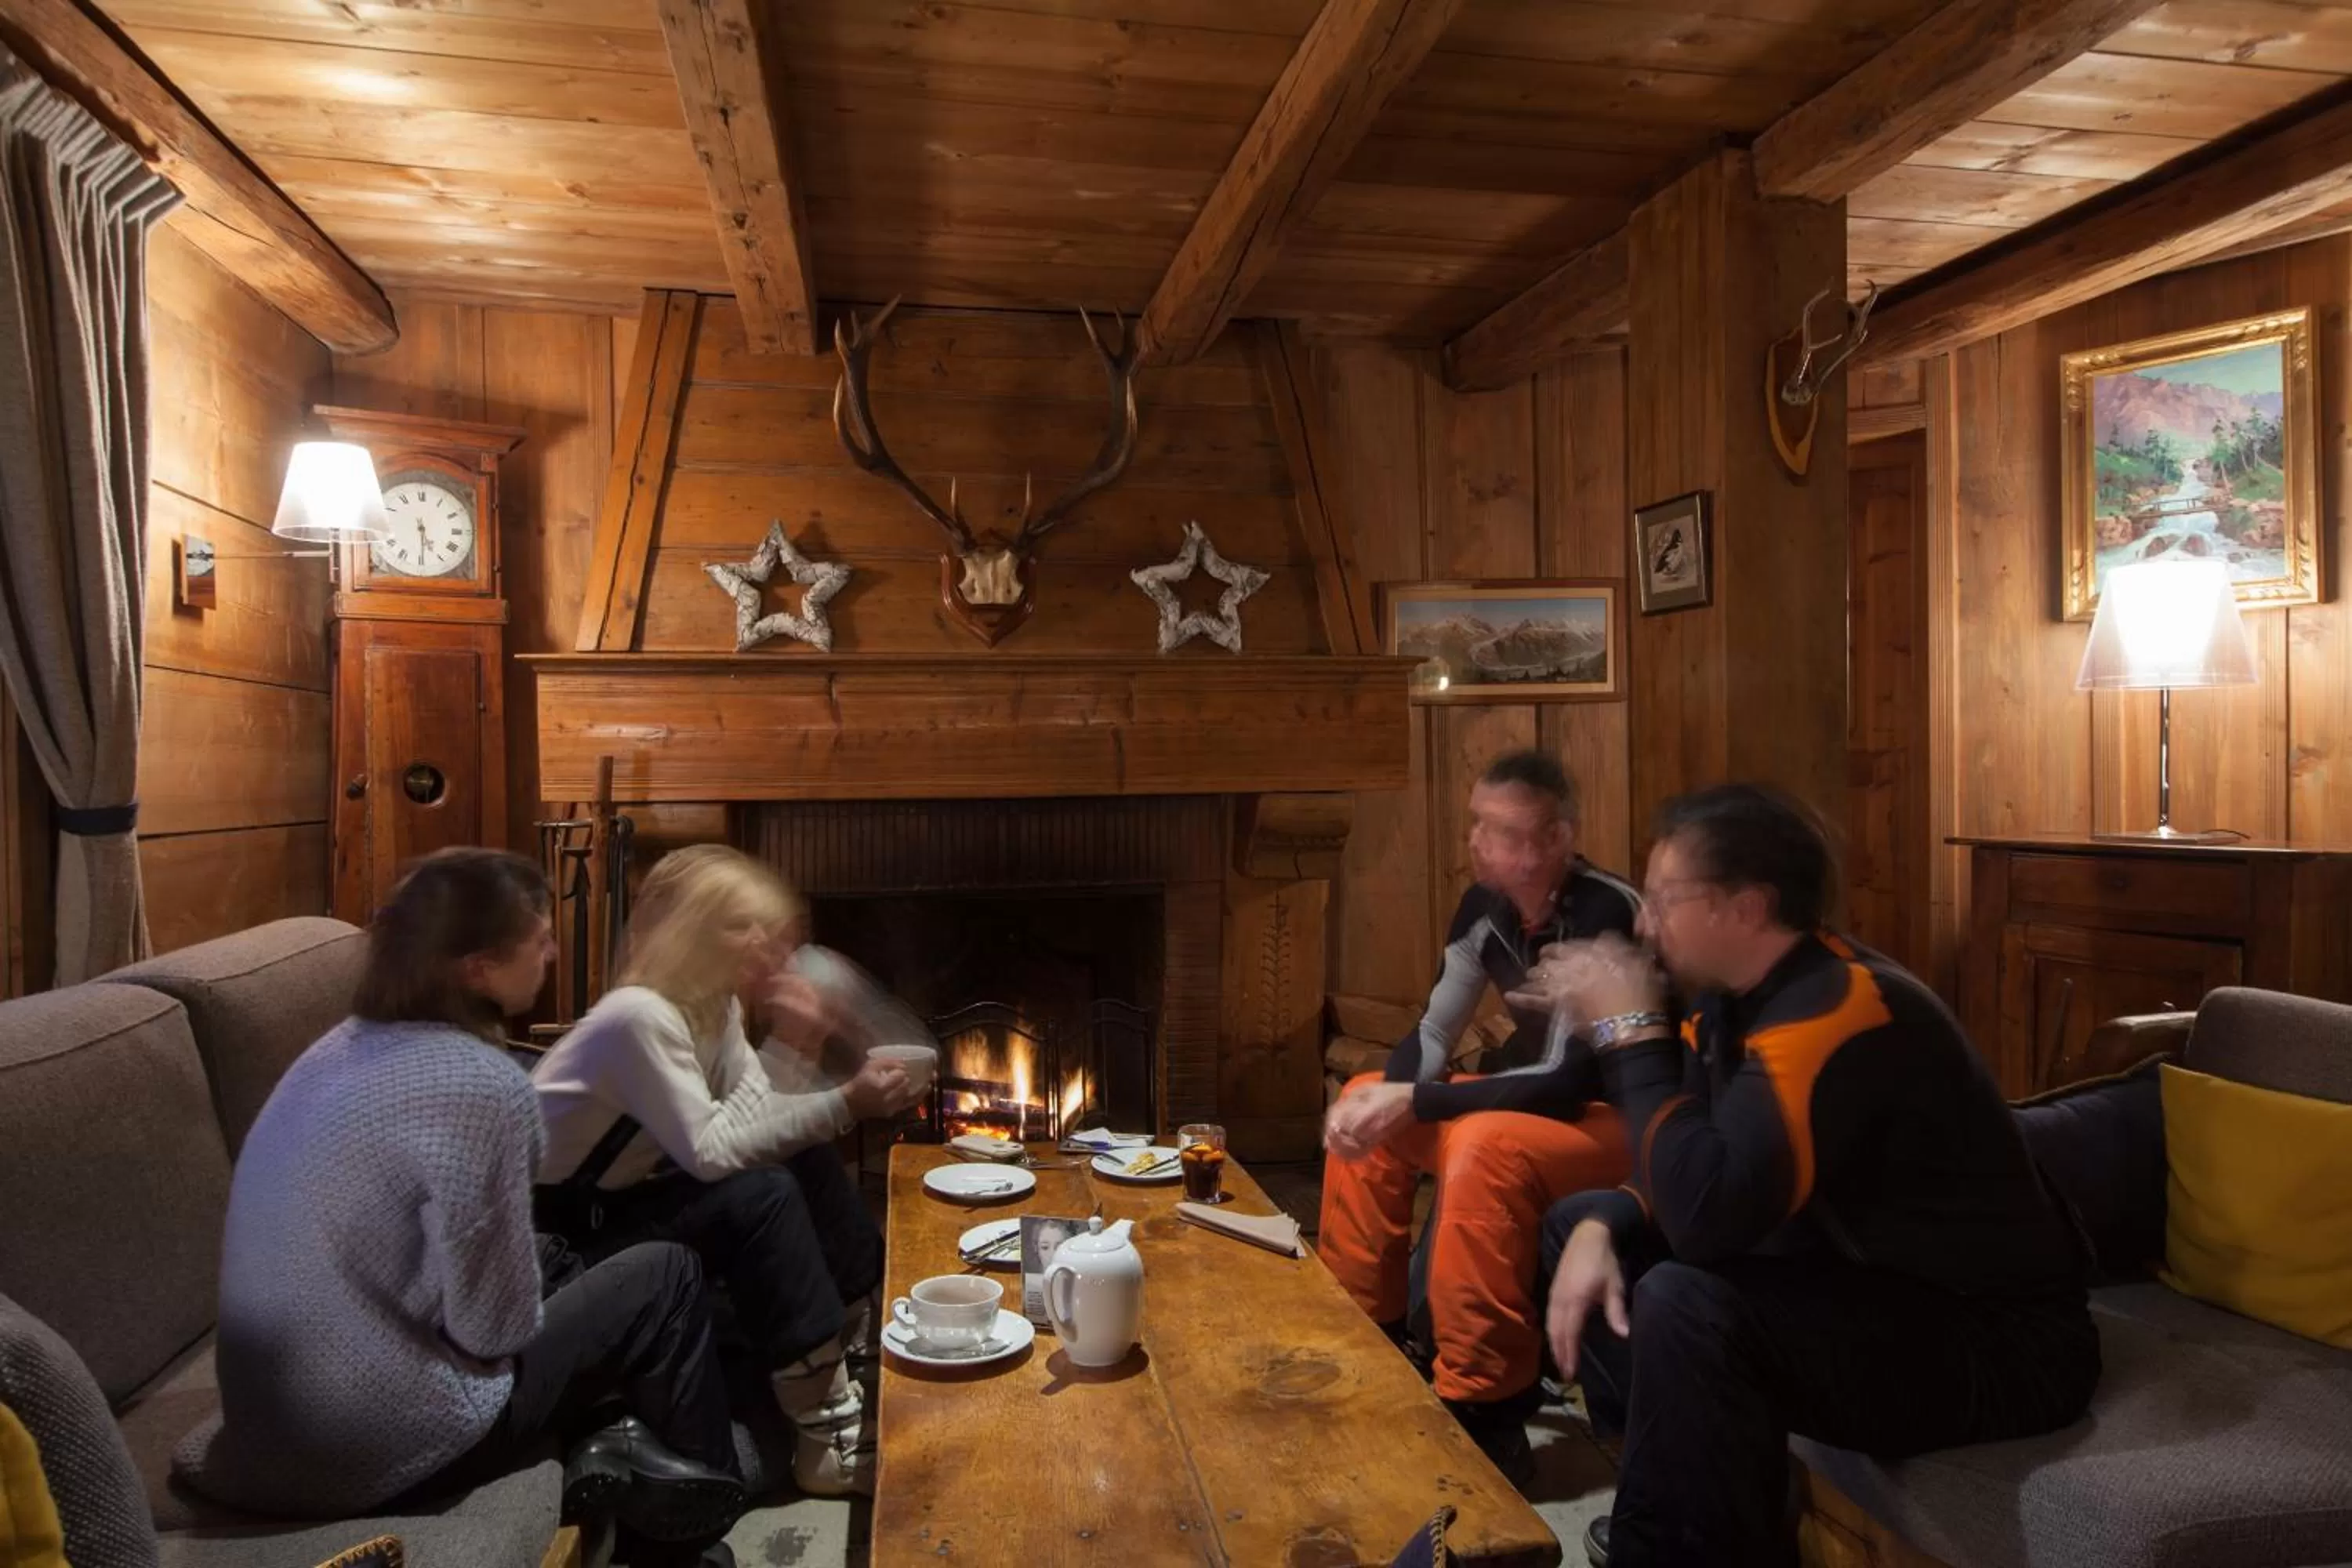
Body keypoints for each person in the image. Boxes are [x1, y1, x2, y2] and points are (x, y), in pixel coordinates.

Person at [1520, 786, 2098, 1568]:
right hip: (1865, 1283)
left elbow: (1707, 1215)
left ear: (1746, 907)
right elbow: (1694, 1157)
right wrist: (1603, 1220)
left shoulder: (1834, 1011)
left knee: (1687, 1300)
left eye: (1663, 899)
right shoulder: (1727, 1001)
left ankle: (1677, 1542)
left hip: (1998, 1339)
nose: (1644, 923)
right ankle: (1693, 1504)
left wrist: (1630, 1027)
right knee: (1582, 1223)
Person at [180, 848, 745, 1559]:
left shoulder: (330, 1051)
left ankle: (624, 1454)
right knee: (663, 1276)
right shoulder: (483, 1088)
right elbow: (493, 1331)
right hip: (381, 1444)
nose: (551, 948)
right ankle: (698, 1530)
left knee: (558, 1256)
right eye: (537, 936)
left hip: (267, 1435)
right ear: (477, 968)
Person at [531, 844, 927, 1497]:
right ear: (692, 931)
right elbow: (713, 1152)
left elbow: (759, 1116)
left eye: (767, 928)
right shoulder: (638, 1018)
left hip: (627, 1201)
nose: (766, 944)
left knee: (798, 1154)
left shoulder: (715, 1009)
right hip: (570, 1245)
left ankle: (858, 1349)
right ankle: (827, 1439)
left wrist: (794, 1051)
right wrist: (843, 1100)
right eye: (741, 926)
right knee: (760, 1195)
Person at [1319, 750, 1640, 1478]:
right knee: (1365, 1095)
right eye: (1476, 825)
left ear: (1558, 837)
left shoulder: (1604, 910)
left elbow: (1565, 1077)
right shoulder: (1482, 909)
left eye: (1500, 829)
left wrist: (1420, 1099)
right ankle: (1367, 1329)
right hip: (1539, 1108)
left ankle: (1486, 1404)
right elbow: (1434, 1033)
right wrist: (1386, 1100)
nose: (1476, 842)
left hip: (1620, 1121)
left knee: (1485, 1146)